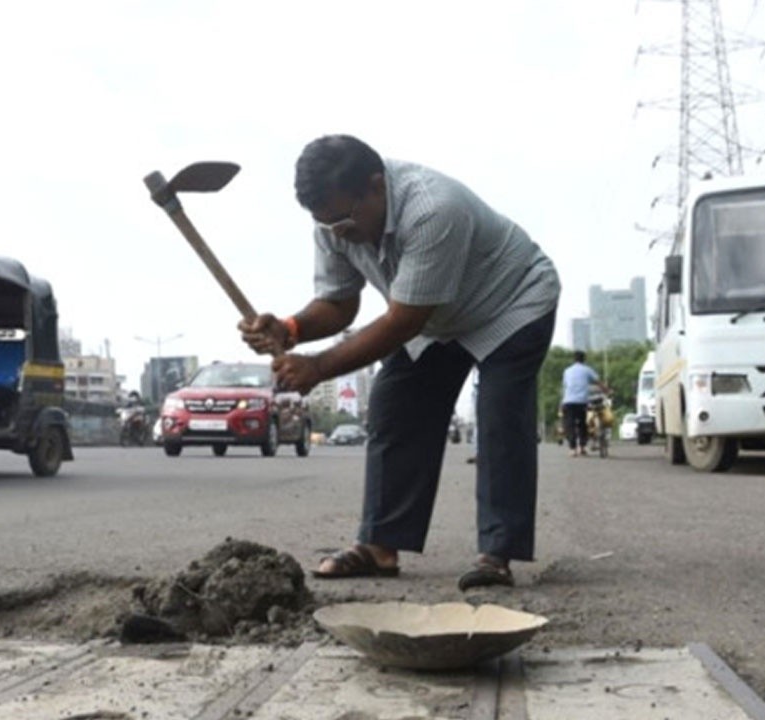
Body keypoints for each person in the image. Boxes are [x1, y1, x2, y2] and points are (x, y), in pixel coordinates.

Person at [239, 134, 560, 591]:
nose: (338, 234)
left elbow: (404, 321)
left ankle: (497, 553)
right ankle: (379, 545)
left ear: (376, 185)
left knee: (499, 419)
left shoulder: (433, 209)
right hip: (439, 314)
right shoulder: (334, 221)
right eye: (326, 224)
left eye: (346, 221)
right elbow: (339, 303)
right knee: (395, 406)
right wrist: (289, 330)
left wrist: (317, 367)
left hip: (510, 302)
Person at [561, 351, 609, 457]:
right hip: (582, 402)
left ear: (573, 359)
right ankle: (582, 447)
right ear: (584, 359)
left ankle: (573, 449)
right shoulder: (587, 370)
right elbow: (598, 382)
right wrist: (607, 390)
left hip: (568, 401)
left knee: (570, 425)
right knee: (583, 423)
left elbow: (565, 387)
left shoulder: (567, 371)